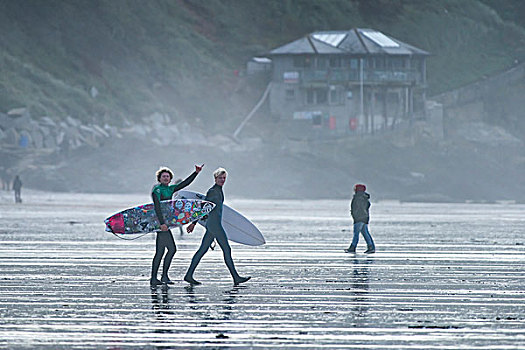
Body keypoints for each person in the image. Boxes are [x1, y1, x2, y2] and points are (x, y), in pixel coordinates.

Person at [183, 167, 251, 286]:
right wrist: (194, 223)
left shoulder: (218, 190)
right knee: (226, 249)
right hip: (215, 225)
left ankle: (189, 275)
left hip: (213, 224)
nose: (222, 180)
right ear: (215, 178)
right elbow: (204, 208)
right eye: (220, 178)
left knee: (202, 250)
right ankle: (236, 277)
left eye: (224, 178)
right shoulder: (213, 191)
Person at [150, 164, 203, 286]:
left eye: (167, 176)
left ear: (170, 178)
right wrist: (162, 223)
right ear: (159, 178)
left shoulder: (170, 189)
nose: (165, 178)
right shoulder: (157, 190)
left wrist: (196, 172)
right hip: (161, 224)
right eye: (163, 176)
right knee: (171, 249)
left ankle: (157, 277)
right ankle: (162, 276)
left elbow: (184, 184)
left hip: (165, 224)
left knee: (160, 252)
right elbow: (157, 207)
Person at [345, 184, 376, 254]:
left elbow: (358, 208)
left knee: (356, 233)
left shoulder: (359, 198)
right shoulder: (364, 198)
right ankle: (371, 247)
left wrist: (355, 215)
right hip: (364, 218)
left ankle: (352, 247)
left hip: (359, 218)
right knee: (365, 233)